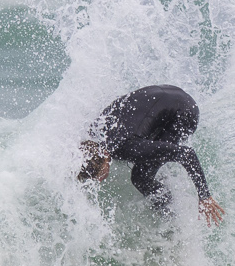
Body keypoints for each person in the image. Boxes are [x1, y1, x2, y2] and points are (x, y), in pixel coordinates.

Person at [77, 84, 226, 225]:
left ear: (104, 155)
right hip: (165, 93)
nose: (101, 180)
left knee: (140, 177)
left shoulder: (128, 147)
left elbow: (186, 154)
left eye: (99, 174)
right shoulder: (95, 131)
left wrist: (204, 196)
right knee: (147, 157)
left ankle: (172, 224)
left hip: (184, 112)